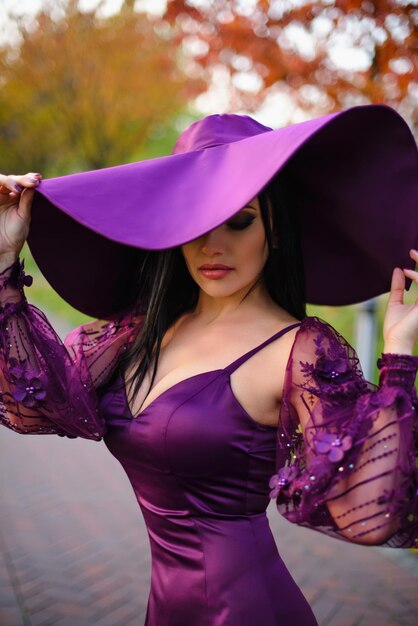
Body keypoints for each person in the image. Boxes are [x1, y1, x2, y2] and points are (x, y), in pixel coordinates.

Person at [0, 107, 417, 626]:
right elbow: (36, 405)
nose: (211, 246)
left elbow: (370, 513)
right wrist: (4, 258)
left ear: (276, 230)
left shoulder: (299, 350)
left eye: (239, 221)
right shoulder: (137, 332)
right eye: (195, 219)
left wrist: (400, 356)